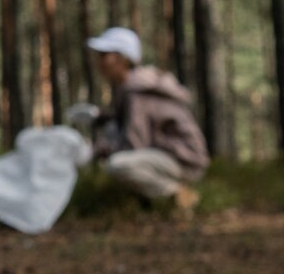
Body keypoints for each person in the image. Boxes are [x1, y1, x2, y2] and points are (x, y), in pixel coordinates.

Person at [85, 28, 209, 212]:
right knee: (116, 148)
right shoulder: (136, 86)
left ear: (122, 59)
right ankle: (149, 204)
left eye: (105, 55)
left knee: (117, 165)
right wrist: (100, 118)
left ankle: (177, 194)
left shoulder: (136, 92)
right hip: (175, 156)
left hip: (184, 160)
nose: (100, 62)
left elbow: (134, 143)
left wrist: (96, 151)